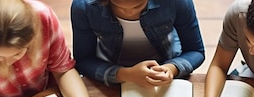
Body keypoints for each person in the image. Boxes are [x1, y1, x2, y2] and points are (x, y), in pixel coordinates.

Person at [71, 0, 205, 87]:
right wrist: (124, 74)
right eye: (118, 6)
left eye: (138, 6)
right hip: (110, 70)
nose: (129, 12)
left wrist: (171, 68)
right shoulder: (85, 7)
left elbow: (195, 51)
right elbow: (84, 60)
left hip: (166, 65)